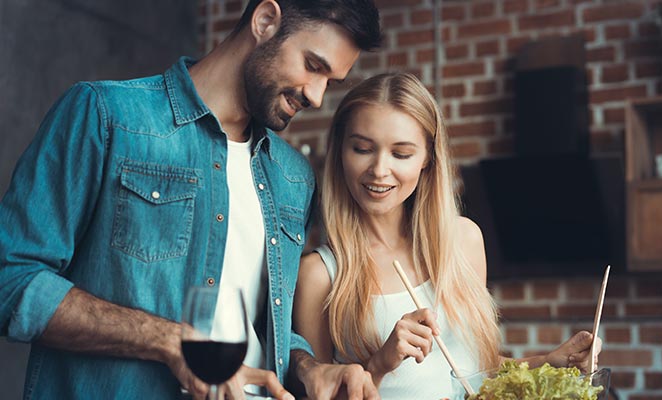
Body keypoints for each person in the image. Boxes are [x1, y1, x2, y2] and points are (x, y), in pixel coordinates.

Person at [0, 1, 382, 399]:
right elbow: (10, 279)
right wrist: (169, 341)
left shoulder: (293, 177)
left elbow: (267, 324)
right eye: (313, 66)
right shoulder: (107, 117)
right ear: (266, 21)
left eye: (330, 81)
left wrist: (308, 367)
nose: (317, 97)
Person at [293, 72, 603, 399]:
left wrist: (548, 362)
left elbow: (474, 370)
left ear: (428, 158)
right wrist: (378, 365)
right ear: (340, 151)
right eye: (362, 148)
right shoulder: (319, 275)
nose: (379, 169)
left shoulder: (464, 241)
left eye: (401, 154)